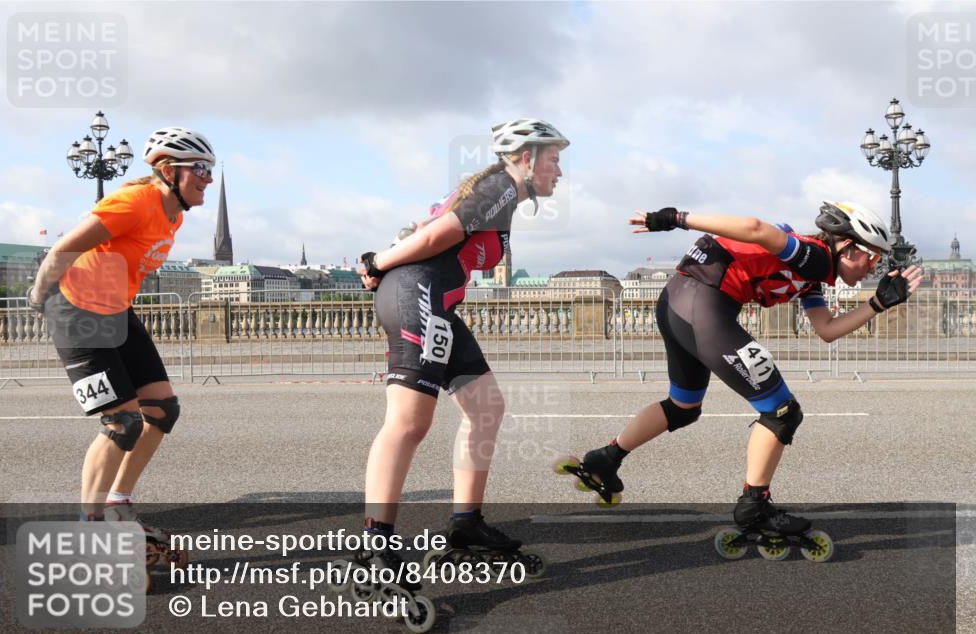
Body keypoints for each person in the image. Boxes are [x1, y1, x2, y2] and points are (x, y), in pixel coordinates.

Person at [562, 202, 922, 537]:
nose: (872, 270)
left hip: (678, 302)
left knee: (683, 408)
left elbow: (826, 329)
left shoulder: (814, 275)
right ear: (849, 248)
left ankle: (605, 459)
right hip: (703, 306)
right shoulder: (814, 256)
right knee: (782, 412)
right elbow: (754, 228)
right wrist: (675, 219)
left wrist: (878, 304)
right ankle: (754, 507)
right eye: (872, 260)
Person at [356, 118, 569, 578]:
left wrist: (383, 261)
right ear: (527, 159)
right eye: (554, 160)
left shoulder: (500, 193)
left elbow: (426, 229)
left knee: (487, 406)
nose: (560, 171)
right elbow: (437, 237)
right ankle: (375, 544)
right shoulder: (502, 187)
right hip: (419, 296)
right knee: (410, 422)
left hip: (436, 302)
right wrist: (377, 262)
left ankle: (466, 523)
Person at [28, 127, 215, 560]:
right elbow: (64, 248)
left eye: (210, 169)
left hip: (115, 312)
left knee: (162, 410)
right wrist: (40, 298)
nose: (208, 177)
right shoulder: (135, 202)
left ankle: (117, 504)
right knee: (123, 423)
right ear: (169, 171)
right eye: (200, 168)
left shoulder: (174, 215)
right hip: (75, 310)